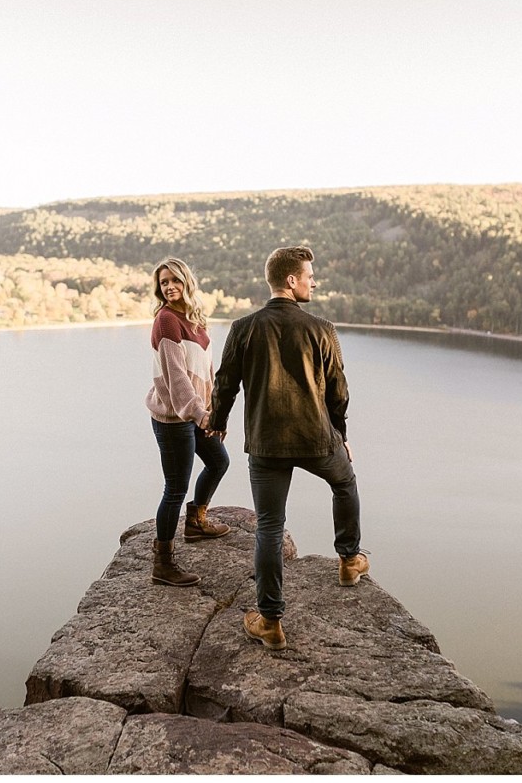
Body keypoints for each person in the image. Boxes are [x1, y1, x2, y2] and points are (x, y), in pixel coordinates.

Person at [208, 245, 367, 650]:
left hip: (266, 444)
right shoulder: (321, 329)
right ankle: (349, 560)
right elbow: (338, 391)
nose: (314, 281)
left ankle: (271, 621)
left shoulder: (243, 328)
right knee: (345, 483)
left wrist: (219, 423)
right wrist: (341, 437)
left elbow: (224, 384)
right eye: (309, 275)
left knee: (269, 527)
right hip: (316, 439)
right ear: (291, 280)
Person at [145, 257, 232, 587]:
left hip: (196, 411)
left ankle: (196, 521)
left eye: (174, 280)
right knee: (175, 488)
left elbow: (207, 371)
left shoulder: (195, 319)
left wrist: (214, 411)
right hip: (173, 417)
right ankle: (163, 563)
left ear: (186, 282)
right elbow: (178, 380)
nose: (169, 287)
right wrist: (202, 415)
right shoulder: (166, 321)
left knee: (218, 461)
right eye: (164, 283)